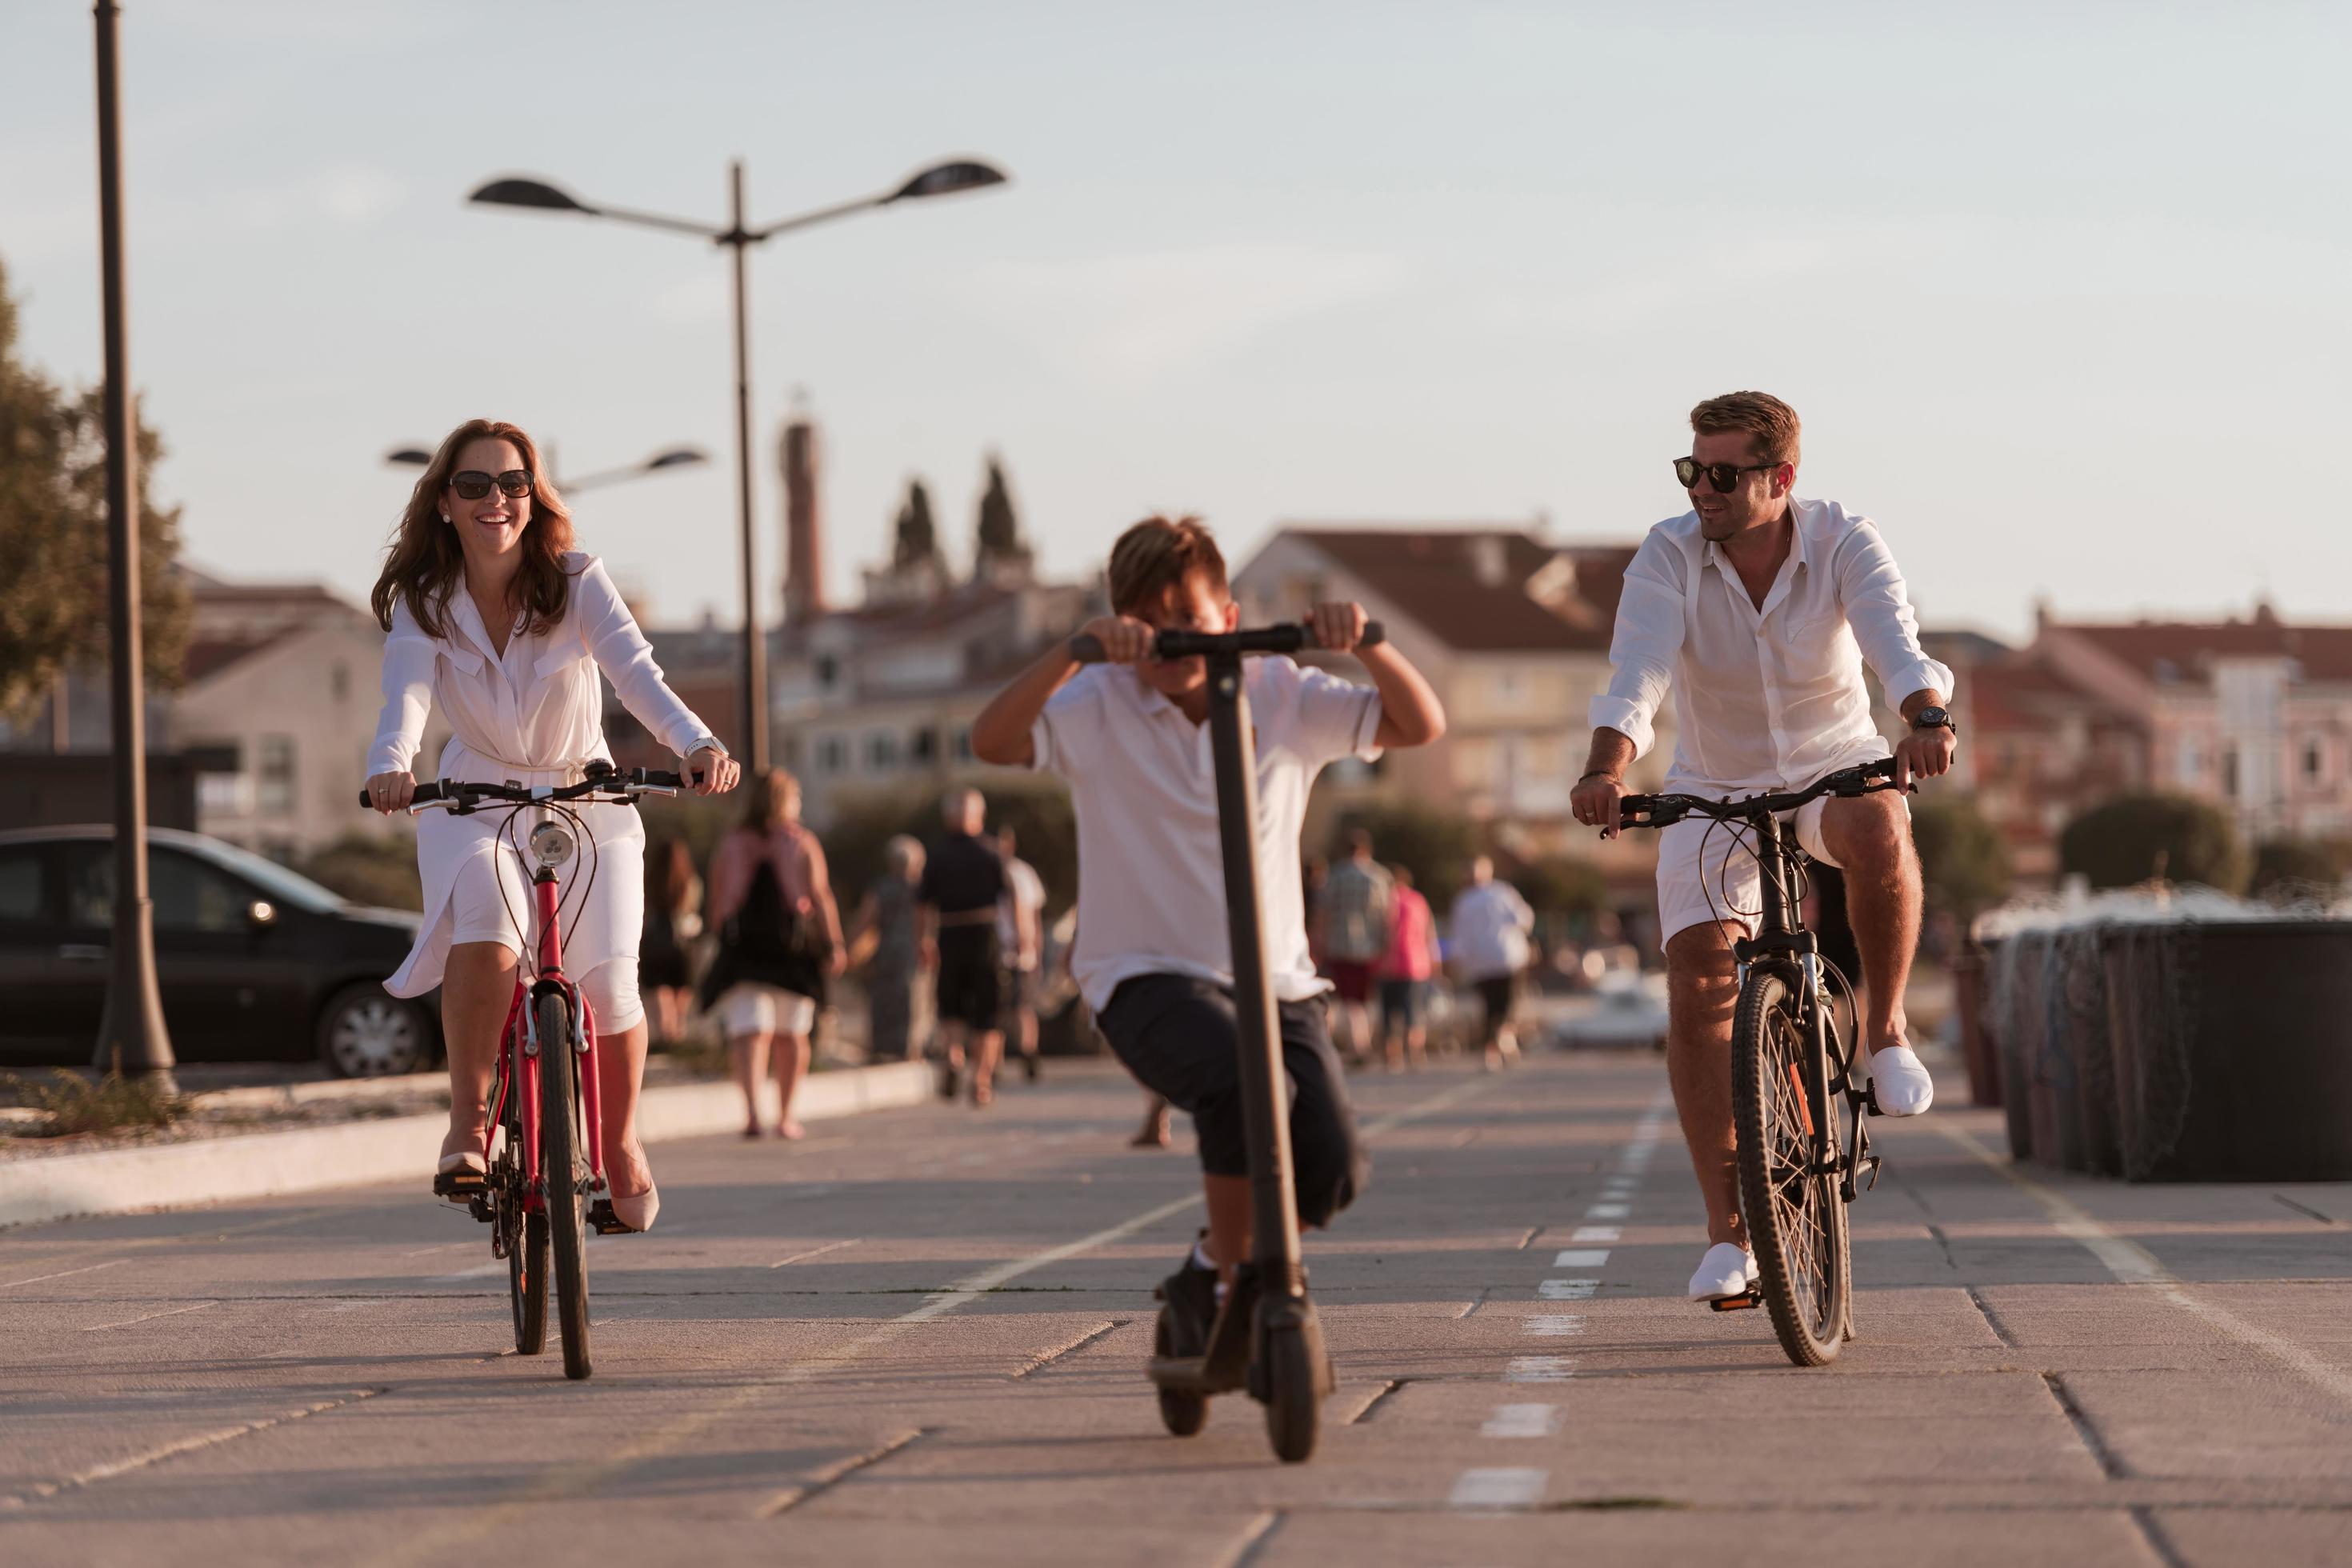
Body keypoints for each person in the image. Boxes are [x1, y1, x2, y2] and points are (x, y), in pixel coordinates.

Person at [968, 514, 1446, 1360]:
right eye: (1147, 622)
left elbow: (1418, 724)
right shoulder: (1095, 702)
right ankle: (1242, 1285)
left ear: (1228, 614)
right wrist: (1075, 653)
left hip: (1278, 982)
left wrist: (1367, 640)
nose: (1171, 638)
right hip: (1142, 976)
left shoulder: (1283, 692)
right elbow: (993, 740)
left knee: (1331, 1167)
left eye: (1188, 615)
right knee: (1237, 1080)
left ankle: (1206, 1268)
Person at [1569, 390, 1954, 1304]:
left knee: (1879, 824)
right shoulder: (1670, 552)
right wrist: (1606, 768)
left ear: (1780, 479)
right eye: (1691, 469)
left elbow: (1895, 644)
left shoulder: (1844, 541)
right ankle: (1727, 1233)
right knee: (1700, 971)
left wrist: (1926, 717)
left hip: (1834, 764)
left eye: (1724, 473)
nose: (1702, 487)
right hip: (1714, 783)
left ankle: (1888, 1027)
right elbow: (1640, 670)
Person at [363, 418, 739, 1235]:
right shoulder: (425, 603)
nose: (496, 499)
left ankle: (623, 1143)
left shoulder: (576, 580)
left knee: (607, 983)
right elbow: (407, 698)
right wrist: (391, 763)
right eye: (474, 485)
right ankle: (469, 1122)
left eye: (513, 484)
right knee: (490, 930)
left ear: (532, 499)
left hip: (586, 799)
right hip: (474, 803)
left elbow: (638, 674)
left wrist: (697, 743)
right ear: (445, 504)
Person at [702, 769, 846, 1140]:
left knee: (750, 1031)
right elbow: (820, 895)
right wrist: (834, 944)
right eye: (795, 797)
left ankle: (753, 1112)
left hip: (743, 949)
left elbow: (717, 897)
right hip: (792, 950)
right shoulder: (801, 841)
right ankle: (786, 1115)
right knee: (793, 1033)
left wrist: (718, 935)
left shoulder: (733, 842)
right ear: (784, 800)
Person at [918, 787, 1008, 1106]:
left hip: (950, 932)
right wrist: (1024, 942)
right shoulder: (992, 851)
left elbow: (923, 904)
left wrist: (924, 940)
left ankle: (955, 1057)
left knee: (951, 1006)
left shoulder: (938, 854)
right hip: (984, 934)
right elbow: (1011, 900)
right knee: (987, 1014)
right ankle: (981, 1080)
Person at [846, 835, 927, 1062]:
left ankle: (881, 1048)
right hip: (914, 951)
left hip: (887, 952)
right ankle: (911, 1050)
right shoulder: (923, 889)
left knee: (884, 1000)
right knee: (915, 1000)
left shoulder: (881, 888)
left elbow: (865, 921)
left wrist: (847, 949)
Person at [1450, 857, 1534, 1070]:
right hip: (1507, 957)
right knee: (1506, 1006)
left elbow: (1460, 938)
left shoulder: (1463, 901)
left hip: (1480, 962)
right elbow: (1523, 919)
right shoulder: (1502, 893)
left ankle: (1495, 1050)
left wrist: (1460, 964)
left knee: (1490, 1008)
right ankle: (1502, 1042)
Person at [1318, 830, 1392, 1064]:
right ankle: (1362, 1043)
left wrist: (1319, 942)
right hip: (1371, 947)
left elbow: (1323, 913)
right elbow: (1387, 915)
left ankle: (1358, 1045)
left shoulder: (1335, 876)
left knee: (1348, 1000)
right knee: (1365, 999)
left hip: (1340, 945)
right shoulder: (1380, 877)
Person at [1374, 863, 1440, 1072]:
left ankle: (1393, 1057)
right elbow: (1430, 933)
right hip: (1416, 964)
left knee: (1388, 1014)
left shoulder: (1386, 901)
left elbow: (1383, 932)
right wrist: (1435, 960)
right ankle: (1415, 1053)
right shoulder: (1418, 900)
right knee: (1414, 1012)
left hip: (1387, 964)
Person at [996, 823, 1047, 1084]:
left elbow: (1034, 915)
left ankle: (1030, 1054)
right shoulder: (986, 871)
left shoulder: (1024, 873)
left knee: (1023, 1006)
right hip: (996, 951)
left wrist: (1035, 947)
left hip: (1021, 952)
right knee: (998, 1008)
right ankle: (995, 1061)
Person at [641, 838, 702, 1046]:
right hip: (682, 944)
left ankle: (665, 1030)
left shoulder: (650, 880)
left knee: (660, 988)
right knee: (681, 989)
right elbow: (692, 910)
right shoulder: (689, 881)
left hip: (655, 941)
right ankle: (677, 1029)